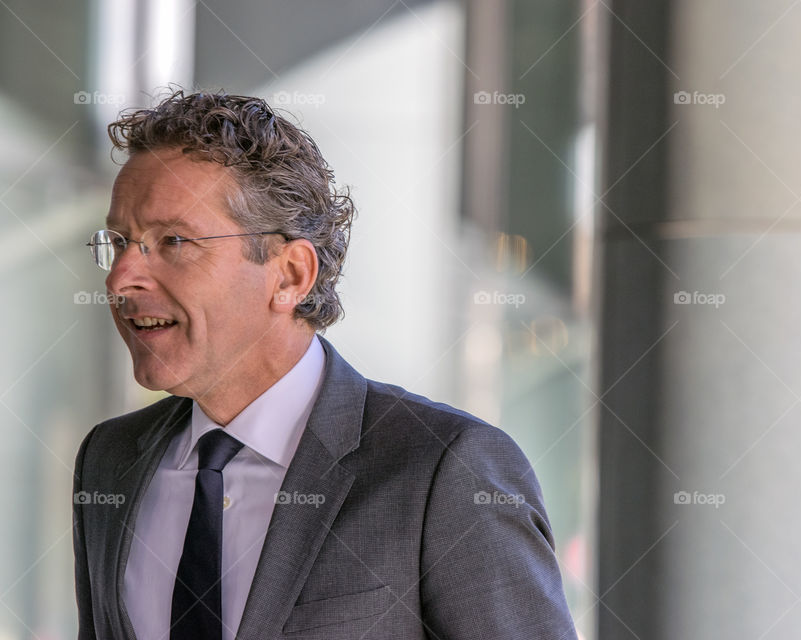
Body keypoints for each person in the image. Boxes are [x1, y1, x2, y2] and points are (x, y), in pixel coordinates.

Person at [72, 91, 577, 640]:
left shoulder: (446, 470)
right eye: (119, 242)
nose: (120, 279)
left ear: (289, 275)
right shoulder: (109, 461)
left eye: (172, 241)